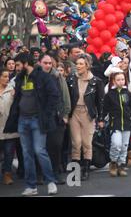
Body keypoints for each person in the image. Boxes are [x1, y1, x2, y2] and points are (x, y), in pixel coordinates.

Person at [3, 53, 59, 196]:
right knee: (27, 154)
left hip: (37, 119)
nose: (16, 68)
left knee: (39, 150)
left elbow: (54, 95)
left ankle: (51, 182)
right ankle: (31, 185)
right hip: (23, 120)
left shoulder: (43, 77)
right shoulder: (20, 78)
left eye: (17, 65)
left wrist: (46, 114)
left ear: (25, 63)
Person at [67, 54, 104, 180]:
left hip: (88, 114)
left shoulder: (96, 81)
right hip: (74, 113)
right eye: (77, 64)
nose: (78, 66)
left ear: (87, 66)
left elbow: (100, 102)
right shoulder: (71, 79)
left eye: (81, 64)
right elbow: (67, 98)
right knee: (76, 142)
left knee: (86, 143)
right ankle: (75, 171)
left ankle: (86, 170)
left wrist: (100, 119)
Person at [100, 72, 131, 177]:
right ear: (114, 81)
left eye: (122, 79)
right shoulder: (109, 95)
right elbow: (104, 109)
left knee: (124, 146)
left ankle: (121, 165)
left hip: (127, 124)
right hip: (115, 124)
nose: (120, 81)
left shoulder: (128, 94)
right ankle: (113, 162)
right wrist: (101, 120)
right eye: (118, 80)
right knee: (116, 144)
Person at [38, 54, 71, 184]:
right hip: (40, 117)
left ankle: (55, 173)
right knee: (41, 147)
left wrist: (65, 115)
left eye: (49, 63)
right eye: (45, 63)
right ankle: (40, 174)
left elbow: (65, 95)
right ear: (40, 63)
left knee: (56, 146)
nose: (47, 65)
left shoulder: (58, 77)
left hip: (56, 116)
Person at [0, 68, 20, 185]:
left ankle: (7, 174)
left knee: (9, 153)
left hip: (10, 127)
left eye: (8, 76)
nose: (7, 79)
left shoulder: (12, 90)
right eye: (4, 76)